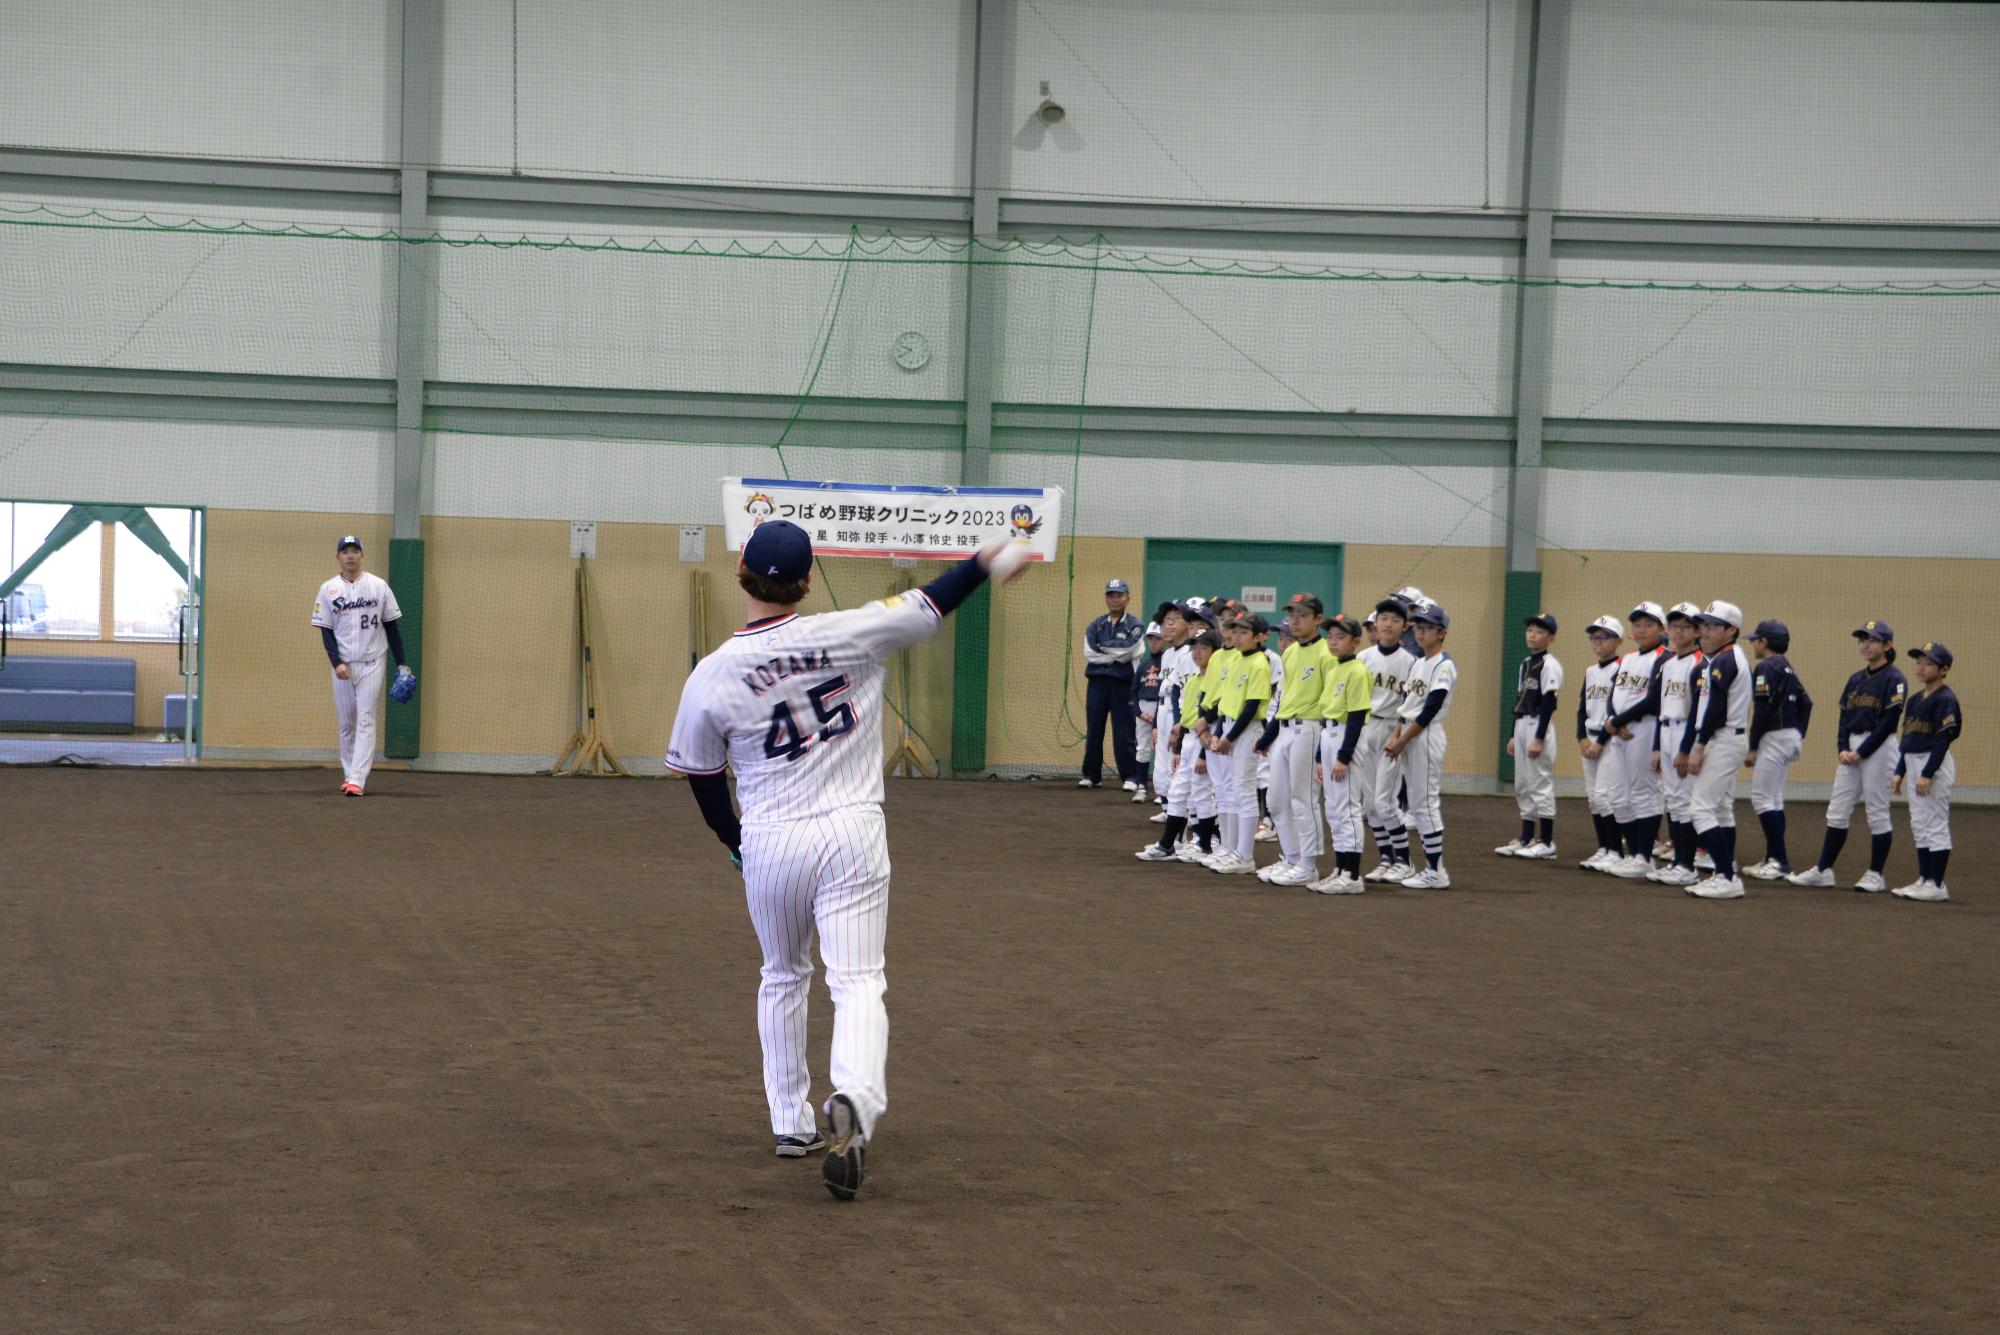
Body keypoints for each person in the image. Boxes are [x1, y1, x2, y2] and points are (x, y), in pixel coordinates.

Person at [664, 520, 1019, 1201]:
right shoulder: (852, 630)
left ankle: (789, 1120)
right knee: (857, 980)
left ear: (742, 569)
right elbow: (936, 599)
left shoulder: (711, 675)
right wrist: (984, 556)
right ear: (807, 578)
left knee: (781, 974)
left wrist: (734, 841)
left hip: (770, 836)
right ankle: (855, 1095)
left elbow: (702, 777)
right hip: (853, 831)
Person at [1786, 619, 1908, 892]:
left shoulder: (1895, 679)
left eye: (1873, 640)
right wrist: (1842, 748)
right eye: (1863, 639)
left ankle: (1876, 874)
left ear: (1887, 645)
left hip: (1879, 746)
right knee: (1837, 809)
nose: (1865, 644)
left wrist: (1861, 752)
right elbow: (1844, 718)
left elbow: (1889, 722)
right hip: (1852, 746)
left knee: (1877, 811)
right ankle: (1823, 869)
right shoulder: (1855, 679)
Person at [310, 535, 411, 797]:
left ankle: (358, 779)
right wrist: (336, 663)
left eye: (355, 550)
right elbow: (326, 631)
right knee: (347, 723)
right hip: (344, 665)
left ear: (362, 555)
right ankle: (349, 773)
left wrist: (402, 664)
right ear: (338, 557)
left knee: (366, 718)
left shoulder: (378, 586)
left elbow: (391, 627)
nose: (350, 555)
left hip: (372, 662)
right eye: (345, 551)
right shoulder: (328, 589)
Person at [1680, 601, 1753, 899]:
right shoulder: (1720, 658)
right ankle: (1724, 869)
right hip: (1725, 738)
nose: (1704, 631)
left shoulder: (1726, 660)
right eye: (1703, 625)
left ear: (1731, 630)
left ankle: (1726, 876)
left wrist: (1698, 747)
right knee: (1721, 809)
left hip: (1723, 738)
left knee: (1700, 808)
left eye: (1712, 626)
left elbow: (1716, 711)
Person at [1258, 595, 1331, 886]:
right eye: (1292, 615)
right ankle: (1290, 857)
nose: (1295, 620)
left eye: (1302, 614)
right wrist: (1269, 735)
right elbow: (1283, 699)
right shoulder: (1289, 653)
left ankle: (1309, 865)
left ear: (1318, 619)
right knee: (1276, 801)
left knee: (1304, 799)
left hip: (1309, 727)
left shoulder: (1326, 653)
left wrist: (1320, 751)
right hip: (1285, 730)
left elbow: (1330, 701)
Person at [1385, 603, 1456, 889]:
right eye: (1419, 627)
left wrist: (1402, 739)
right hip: (1411, 734)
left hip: (1425, 735)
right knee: (1415, 802)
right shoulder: (1418, 663)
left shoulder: (1444, 665)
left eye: (1428, 628)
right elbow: (1407, 705)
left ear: (1442, 633)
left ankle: (1436, 870)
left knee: (1425, 802)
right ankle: (1430, 868)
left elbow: (1429, 708)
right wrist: (1397, 733)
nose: (1422, 632)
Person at [1598, 603, 1669, 879]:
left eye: (1648, 624)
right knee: (1617, 795)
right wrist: (1613, 718)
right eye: (1637, 625)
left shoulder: (1664, 658)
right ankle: (1634, 854)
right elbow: (1612, 693)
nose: (1641, 630)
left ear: (1661, 629)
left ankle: (1644, 856)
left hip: (1645, 728)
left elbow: (1654, 700)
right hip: (1621, 731)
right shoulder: (1627, 659)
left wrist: (1617, 721)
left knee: (1644, 793)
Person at [1741, 620, 1812, 880]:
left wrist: (1752, 746)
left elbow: (1762, 710)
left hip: (1773, 737)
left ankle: (1780, 860)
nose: (1753, 644)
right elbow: (1807, 703)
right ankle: (1773, 858)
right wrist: (1797, 733)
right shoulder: (1786, 667)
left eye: (1755, 640)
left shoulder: (1765, 667)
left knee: (1761, 798)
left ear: (1764, 642)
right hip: (1789, 735)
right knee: (1774, 799)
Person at [1891, 642, 1960, 902]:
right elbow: (1907, 738)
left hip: (1933, 762)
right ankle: (1924, 879)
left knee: (1935, 823)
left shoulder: (1945, 699)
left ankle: (1936, 884)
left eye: (1928, 663)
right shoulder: (1914, 700)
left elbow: (1943, 740)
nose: (1921, 667)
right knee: (1919, 823)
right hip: (1913, 760)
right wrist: (1900, 771)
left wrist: (1927, 773)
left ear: (1944, 669)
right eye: (1919, 662)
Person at [1309, 614, 1373, 893]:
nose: (1333, 642)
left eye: (1341, 637)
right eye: (1330, 637)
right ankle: (1339, 868)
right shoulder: (1334, 668)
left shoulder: (1357, 671)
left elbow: (1358, 716)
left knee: (1347, 807)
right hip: (1329, 734)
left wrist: (1343, 757)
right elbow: (1325, 715)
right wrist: (1319, 758)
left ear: (1356, 642)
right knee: (1334, 810)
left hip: (1346, 736)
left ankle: (1352, 875)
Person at [1206, 615, 1274, 874]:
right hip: (1231, 726)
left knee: (1244, 791)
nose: (1237, 636)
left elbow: (1252, 706)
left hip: (1246, 730)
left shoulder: (1259, 663)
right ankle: (1233, 850)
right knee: (1234, 790)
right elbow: (1227, 702)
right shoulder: (1236, 659)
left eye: (1244, 632)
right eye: (1235, 631)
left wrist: (1229, 736)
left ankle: (1245, 856)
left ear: (1258, 637)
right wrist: (1220, 731)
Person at [1645, 603, 1707, 886]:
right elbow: (1660, 709)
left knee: (1686, 801)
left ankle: (1687, 863)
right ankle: (1678, 860)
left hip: (1686, 731)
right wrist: (1657, 747)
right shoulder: (1668, 664)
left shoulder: (1702, 663)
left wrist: (1689, 748)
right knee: (1673, 799)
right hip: (1667, 730)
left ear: (1697, 631)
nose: (1679, 631)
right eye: (1675, 626)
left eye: (1686, 626)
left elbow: (1698, 710)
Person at [1358, 600, 1418, 882]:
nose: (1388, 624)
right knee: (1370, 804)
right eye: (1383, 618)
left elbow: (1411, 705)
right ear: (1375, 623)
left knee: (1385, 802)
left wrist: (1400, 738)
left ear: (1404, 626)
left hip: (1391, 730)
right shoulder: (1364, 659)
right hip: (1366, 728)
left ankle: (1404, 861)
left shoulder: (1410, 662)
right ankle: (1386, 858)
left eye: (1395, 620)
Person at [1498, 612, 1562, 859]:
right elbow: (1519, 700)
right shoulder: (1526, 663)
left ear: (1551, 638)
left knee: (1539, 783)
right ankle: (1526, 838)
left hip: (1538, 725)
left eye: (1540, 631)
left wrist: (1538, 736)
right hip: (1523, 724)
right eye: (1530, 630)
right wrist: (1513, 734)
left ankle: (1546, 841)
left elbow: (1549, 703)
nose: (1533, 635)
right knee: (1523, 784)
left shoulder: (1550, 664)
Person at [1080, 578, 1146, 791]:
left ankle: (1131, 776)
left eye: (1119, 595)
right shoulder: (1096, 625)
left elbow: (1128, 651)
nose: (1115, 599)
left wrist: (1104, 648)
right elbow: (1090, 653)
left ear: (1128, 598)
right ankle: (1091, 775)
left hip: (1123, 684)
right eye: (1111, 595)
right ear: (1106, 598)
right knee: (1094, 730)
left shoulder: (1135, 625)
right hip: (1097, 684)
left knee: (1124, 732)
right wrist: (1114, 654)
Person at [1576, 617, 1625, 871]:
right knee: (1594, 798)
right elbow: (1583, 708)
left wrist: (1600, 742)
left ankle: (1616, 850)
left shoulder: (1621, 669)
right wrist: (1582, 738)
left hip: (1609, 739)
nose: (1598, 642)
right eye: (1594, 637)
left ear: (1618, 641)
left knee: (1606, 796)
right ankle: (1603, 847)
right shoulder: (1591, 672)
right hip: (1590, 737)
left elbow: (1615, 709)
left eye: (1604, 637)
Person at [1130, 621, 1166, 804]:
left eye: (1157, 638)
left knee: (1161, 750)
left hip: (1161, 708)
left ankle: (1162, 791)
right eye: (1151, 638)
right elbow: (1133, 692)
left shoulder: (1168, 662)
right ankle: (1141, 787)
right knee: (1142, 748)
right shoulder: (1143, 665)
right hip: (1144, 709)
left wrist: (1157, 716)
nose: (1153, 642)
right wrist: (1139, 712)